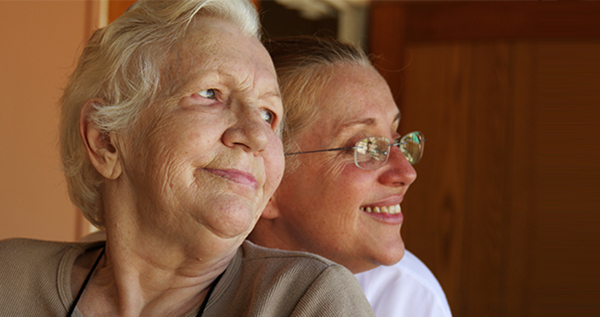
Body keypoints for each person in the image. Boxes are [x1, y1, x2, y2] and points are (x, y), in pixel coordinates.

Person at [0, 2, 375, 316]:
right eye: (211, 93)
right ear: (106, 141)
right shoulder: (10, 280)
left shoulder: (305, 300)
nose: (258, 135)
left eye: (268, 114)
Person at [248, 36, 452, 316]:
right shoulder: (185, 289)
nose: (407, 172)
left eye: (396, 138)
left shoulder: (410, 299)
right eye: (365, 147)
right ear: (266, 179)